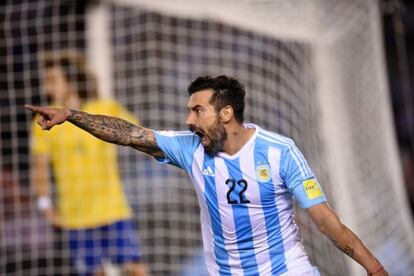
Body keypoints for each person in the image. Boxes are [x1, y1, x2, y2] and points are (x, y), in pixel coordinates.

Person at [26, 75, 388, 276]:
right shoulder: (189, 147)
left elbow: (326, 221)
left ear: (226, 113)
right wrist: (72, 115)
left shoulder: (280, 151)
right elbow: (127, 132)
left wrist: (374, 269)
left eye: (198, 110)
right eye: (188, 111)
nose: (189, 120)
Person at [29, 51, 148, 276]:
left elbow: (139, 135)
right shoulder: (44, 119)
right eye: (45, 81)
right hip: (75, 216)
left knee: (137, 270)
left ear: (71, 79)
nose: (47, 87)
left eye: (53, 80)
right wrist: (45, 205)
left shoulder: (105, 108)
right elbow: (39, 165)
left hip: (112, 209)